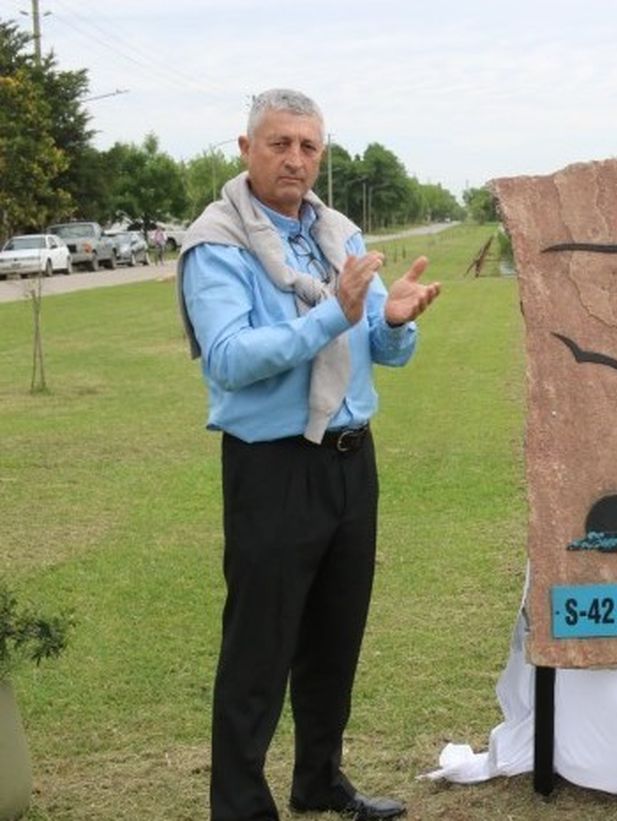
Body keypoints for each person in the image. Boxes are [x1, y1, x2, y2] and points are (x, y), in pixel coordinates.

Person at [177, 88, 440, 821]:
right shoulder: (218, 243)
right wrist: (336, 311)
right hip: (274, 466)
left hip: (351, 461)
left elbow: (379, 346)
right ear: (246, 148)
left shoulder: (338, 234)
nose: (296, 158)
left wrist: (392, 320)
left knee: (333, 638)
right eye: (280, 143)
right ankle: (240, 807)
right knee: (259, 650)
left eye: (308, 146)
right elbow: (229, 358)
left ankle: (319, 781)